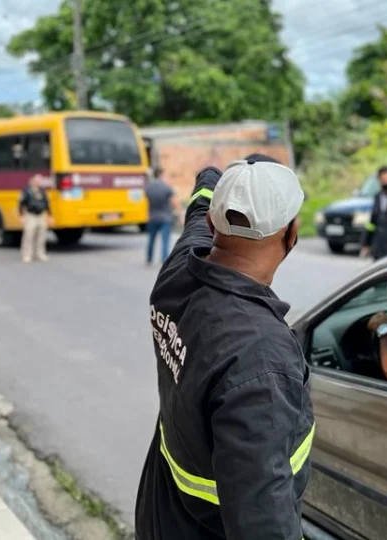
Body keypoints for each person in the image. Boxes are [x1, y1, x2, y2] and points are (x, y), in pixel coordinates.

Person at [135, 155, 315, 540]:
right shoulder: (262, 359)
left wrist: (222, 177)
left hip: (161, 513)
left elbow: (201, 200)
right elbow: (264, 521)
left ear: (213, 222)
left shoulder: (179, 271)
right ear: (291, 232)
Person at [144, 166, 176, 266]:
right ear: (161, 175)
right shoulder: (166, 187)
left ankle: (149, 258)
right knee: (165, 240)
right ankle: (164, 259)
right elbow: (174, 202)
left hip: (152, 217)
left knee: (151, 239)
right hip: (165, 217)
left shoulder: (148, 187)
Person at [19, 174, 52, 263]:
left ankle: (40, 253)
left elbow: (47, 203)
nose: (39, 182)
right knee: (29, 235)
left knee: (41, 236)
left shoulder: (42, 191)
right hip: (31, 215)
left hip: (41, 215)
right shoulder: (26, 191)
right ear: (32, 180)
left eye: (40, 180)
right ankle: (27, 255)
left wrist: (50, 216)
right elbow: (21, 203)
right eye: (37, 180)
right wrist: (21, 216)